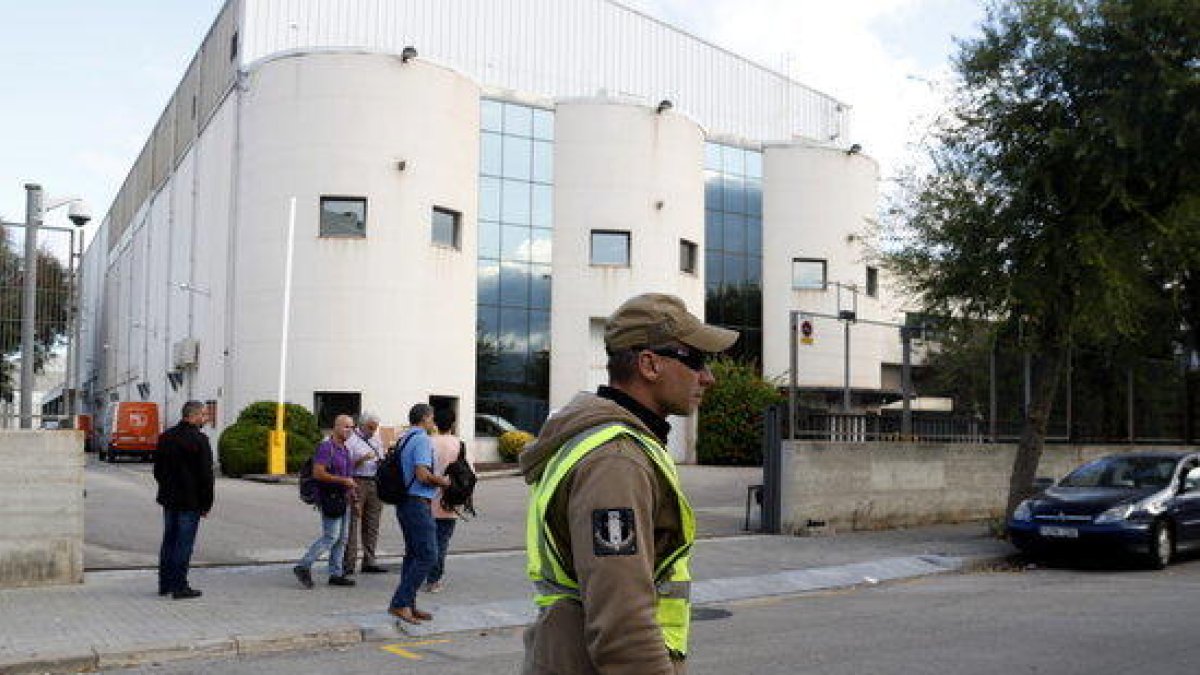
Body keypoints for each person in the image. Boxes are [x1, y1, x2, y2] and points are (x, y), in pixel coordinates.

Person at [520, 293, 737, 674]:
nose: (708, 377)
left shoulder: (614, 445)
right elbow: (623, 624)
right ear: (650, 364)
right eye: (697, 361)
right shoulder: (615, 459)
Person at [388, 403, 451, 624]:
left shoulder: (405, 438)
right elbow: (422, 474)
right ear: (425, 418)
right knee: (428, 554)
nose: (433, 421)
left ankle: (409, 605)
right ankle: (400, 603)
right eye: (431, 417)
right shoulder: (423, 439)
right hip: (416, 502)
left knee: (413, 555)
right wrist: (442, 481)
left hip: (404, 502)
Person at [154, 400, 216, 600]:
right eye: (204, 415)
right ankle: (180, 586)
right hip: (191, 502)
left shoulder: (165, 438)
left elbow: (158, 471)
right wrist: (206, 503)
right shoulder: (200, 440)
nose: (205, 418)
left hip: (169, 499)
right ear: (194, 416)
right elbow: (206, 476)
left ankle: (165, 584)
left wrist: (166, 488)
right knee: (184, 544)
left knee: (169, 541)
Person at [293, 414, 357, 589]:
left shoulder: (344, 449)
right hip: (330, 497)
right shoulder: (325, 448)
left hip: (344, 498)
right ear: (336, 427)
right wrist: (343, 481)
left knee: (342, 538)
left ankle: (335, 573)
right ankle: (303, 565)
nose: (349, 431)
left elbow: (348, 474)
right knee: (330, 536)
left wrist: (351, 491)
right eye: (346, 427)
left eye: (351, 427)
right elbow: (318, 473)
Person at [424, 407, 475, 593]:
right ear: (453, 423)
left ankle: (420, 574)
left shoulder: (428, 442)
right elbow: (470, 474)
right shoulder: (460, 445)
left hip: (426, 500)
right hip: (449, 502)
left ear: (435, 423)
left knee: (425, 541)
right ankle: (433, 581)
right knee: (442, 542)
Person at [344, 411, 387, 575]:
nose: (372, 431)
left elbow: (380, 458)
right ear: (361, 425)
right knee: (352, 522)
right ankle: (348, 562)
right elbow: (344, 465)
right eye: (370, 427)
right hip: (357, 480)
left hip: (374, 481)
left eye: (375, 428)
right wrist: (361, 460)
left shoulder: (376, 440)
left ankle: (369, 561)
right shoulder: (351, 439)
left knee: (372, 523)